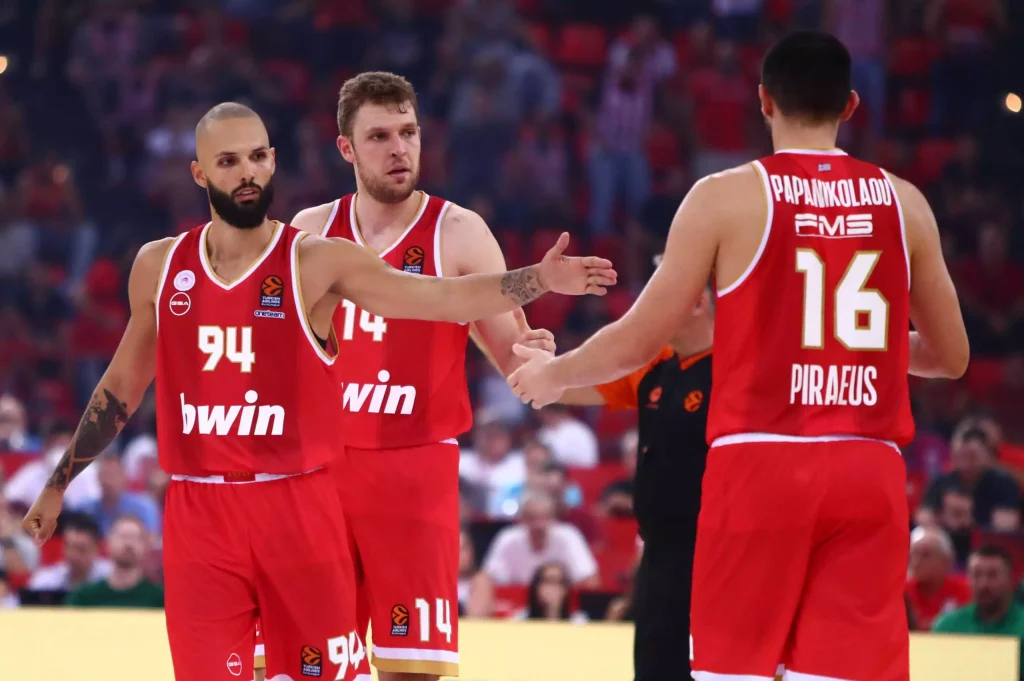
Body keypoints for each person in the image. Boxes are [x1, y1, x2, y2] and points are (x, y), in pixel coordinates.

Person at [20, 102, 615, 681]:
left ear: (274, 161)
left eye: (257, 157)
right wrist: (58, 482)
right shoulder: (159, 266)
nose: (247, 172)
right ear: (199, 173)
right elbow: (121, 385)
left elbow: (438, 298)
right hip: (199, 507)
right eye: (228, 161)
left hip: (297, 499)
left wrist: (539, 279)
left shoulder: (316, 259)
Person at [509, 30, 970, 681]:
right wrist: (847, 351)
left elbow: (641, 337)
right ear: (850, 105)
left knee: (735, 673)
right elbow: (950, 356)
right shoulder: (906, 203)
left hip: (763, 461)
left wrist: (552, 376)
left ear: (763, 100)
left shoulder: (726, 196)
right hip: (869, 467)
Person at [258, 71, 581, 681]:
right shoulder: (309, 230)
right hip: (320, 472)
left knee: (413, 669)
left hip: (414, 470)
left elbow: (512, 356)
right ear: (346, 148)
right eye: (379, 136)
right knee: (300, 664)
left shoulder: (458, 231)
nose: (399, 148)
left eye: (408, 132)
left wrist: (538, 358)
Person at [554, 270, 714, 681]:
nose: (645, 311)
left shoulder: (738, 367)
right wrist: (519, 351)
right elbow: (560, 386)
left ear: (698, 303)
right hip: (658, 555)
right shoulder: (651, 364)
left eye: (659, 298)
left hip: (716, 554)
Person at [933, 546, 1024, 680]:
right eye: (976, 575)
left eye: (992, 575)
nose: (983, 584)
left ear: (1012, 580)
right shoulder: (947, 627)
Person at [65, 515, 163, 608]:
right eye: (123, 536)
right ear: (108, 542)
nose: (128, 544)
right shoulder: (84, 597)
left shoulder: (160, 598)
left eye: (136, 538)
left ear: (146, 546)